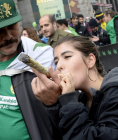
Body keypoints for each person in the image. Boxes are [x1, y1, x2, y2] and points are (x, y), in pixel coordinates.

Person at [31, 36, 118, 140]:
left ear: (90, 60)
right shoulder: (82, 99)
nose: (59, 66)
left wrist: (69, 102)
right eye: (56, 61)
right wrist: (53, 103)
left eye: (67, 57)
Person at [0, 0, 59, 140]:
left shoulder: (42, 56)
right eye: (0, 30)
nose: (8, 36)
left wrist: (55, 102)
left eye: (12, 26)